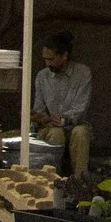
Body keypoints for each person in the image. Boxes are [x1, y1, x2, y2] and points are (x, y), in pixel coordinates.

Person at [32, 29, 94, 174]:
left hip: (75, 124)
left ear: (64, 56)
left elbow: (80, 108)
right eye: (45, 59)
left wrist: (64, 120)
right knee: (56, 134)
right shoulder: (42, 76)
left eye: (51, 59)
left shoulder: (83, 73)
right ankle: (52, 181)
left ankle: (80, 182)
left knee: (80, 133)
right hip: (51, 126)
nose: (47, 63)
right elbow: (39, 107)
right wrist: (40, 118)